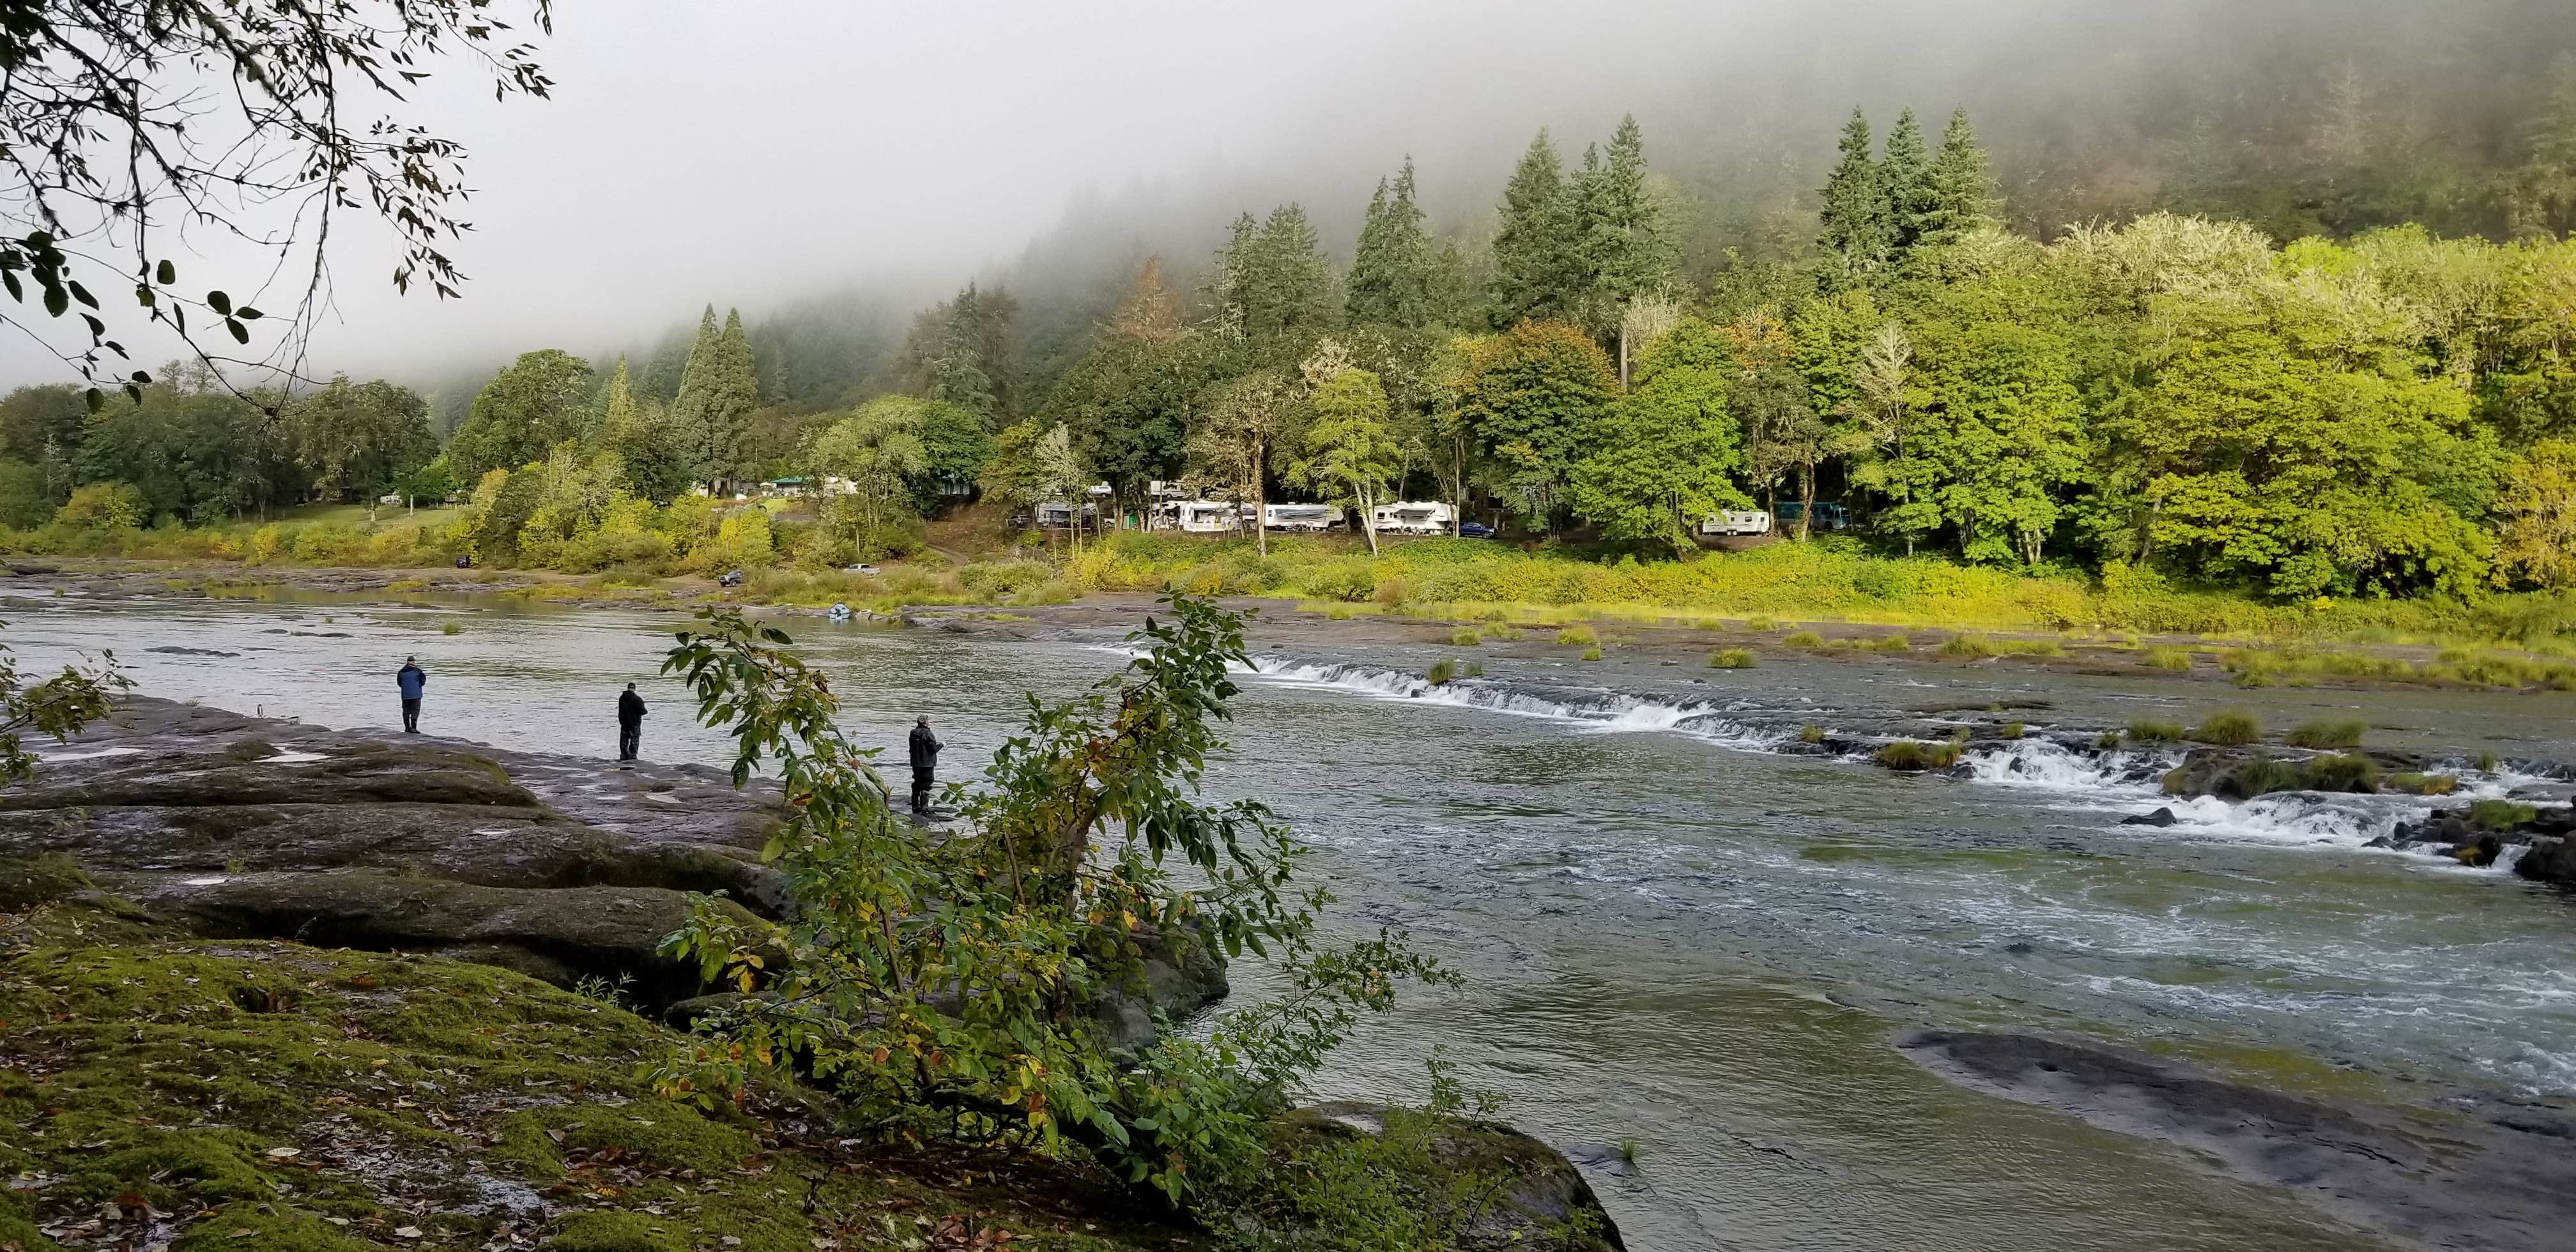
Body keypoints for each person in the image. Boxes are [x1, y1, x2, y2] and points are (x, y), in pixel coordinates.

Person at [907, 715, 942, 813]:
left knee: (917, 784)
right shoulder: (928, 734)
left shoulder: (913, 733)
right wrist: (942, 745)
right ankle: (924, 807)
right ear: (926, 723)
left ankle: (915, 806)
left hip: (916, 764)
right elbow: (933, 750)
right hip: (927, 765)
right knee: (927, 785)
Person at [617, 682, 647, 761]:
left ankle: (624, 756)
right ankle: (632, 757)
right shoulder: (637, 699)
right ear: (634, 689)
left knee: (624, 741)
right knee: (635, 740)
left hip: (624, 723)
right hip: (635, 723)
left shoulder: (622, 698)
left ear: (628, 688)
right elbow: (644, 712)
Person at [396, 656, 426, 733]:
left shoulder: (401, 672)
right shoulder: (418, 671)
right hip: (416, 695)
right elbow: (423, 682)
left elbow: (399, 684)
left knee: (406, 711)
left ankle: (407, 728)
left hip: (405, 695)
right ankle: (413, 727)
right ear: (414, 662)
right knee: (415, 711)